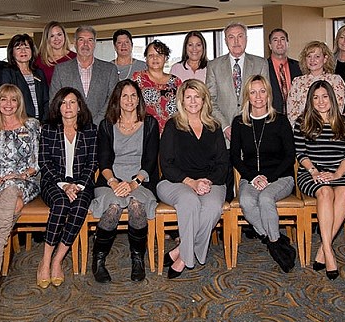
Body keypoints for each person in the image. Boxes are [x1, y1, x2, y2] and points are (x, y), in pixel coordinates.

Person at [157, 79, 230, 279]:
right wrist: (191, 182)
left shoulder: (214, 126)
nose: (193, 101)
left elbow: (223, 164)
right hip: (176, 182)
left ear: (204, 99)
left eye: (197, 96)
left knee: (213, 207)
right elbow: (167, 164)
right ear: (181, 100)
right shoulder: (173, 125)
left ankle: (181, 252)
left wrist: (206, 182)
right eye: (188, 97)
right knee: (189, 201)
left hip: (211, 182)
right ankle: (186, 258)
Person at [91, 80, 160, 283]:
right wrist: (113, 182)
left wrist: (132, 183)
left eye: (133, 95)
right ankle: (98, 259)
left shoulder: (150, 124)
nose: (129, 100)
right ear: (117, 100)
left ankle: (137, 259)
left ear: (138, 98)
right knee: (113, 207)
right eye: (124, 96)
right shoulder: (106, 125)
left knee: (136, 206)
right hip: (109, 181)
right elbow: (103, 161)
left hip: (140, 181)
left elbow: (150, 160)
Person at [230, 75, 296, 272]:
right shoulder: (239, 122)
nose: (258, 96)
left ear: (269, 94)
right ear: (247, 96)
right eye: (253, 92)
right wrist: (253, 177)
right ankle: (274, 241)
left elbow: (289, 156)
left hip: (280, 177)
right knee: (247, 202)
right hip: (251, 177)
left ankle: (275, 246)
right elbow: (235, 157)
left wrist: (269, 177)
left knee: (266, 198)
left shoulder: (281, 121)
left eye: (262, 91)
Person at [293, 80, 345, 280]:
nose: (320, 101)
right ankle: (329, 252)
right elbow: (300, 153)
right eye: (315, 97)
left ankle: (323, 247)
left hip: (341, 172)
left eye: (324, 96)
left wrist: (337, 174)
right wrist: (314, 172)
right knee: (325, 192)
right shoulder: (302, 122)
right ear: (310, 101)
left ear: (332, 98)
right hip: (311, 173)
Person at [0, 84, 41, 284]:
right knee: (13, 204)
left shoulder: (31, 125)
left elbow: (37, 161)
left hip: (24, 181)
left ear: (19, 103)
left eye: (13, 100)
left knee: (13, 189)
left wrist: (22, 174)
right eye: (3, 99)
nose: (8, 104)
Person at [37, 87, 98, 288]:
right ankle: (45, 261)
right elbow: (44, 163)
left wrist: (78, 185)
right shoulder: (48, 129)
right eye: (63, 102)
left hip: (82, 183)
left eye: (72, 102)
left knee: (80, 207)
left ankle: (57, 261)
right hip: (54, 182)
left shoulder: (90, 130)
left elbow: (93, 162)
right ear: (58, 106)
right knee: (62, 204)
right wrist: (64, 185)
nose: (68, 107)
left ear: (80, 106)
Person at [206, 22, 269, 141]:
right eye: (231, 37)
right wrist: (225, 127)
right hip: (224, 135)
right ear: (225, 41)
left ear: (246, 39)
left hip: (254, 132)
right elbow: (210, 100)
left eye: (240, 36)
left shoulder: (261, 64)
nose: (236, 41)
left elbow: (266, 98)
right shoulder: (213, 66)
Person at [49, 25, 119, 125]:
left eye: (90, 40)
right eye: (81, 40)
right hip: (69, 128)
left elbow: (113, 99)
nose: (85, 44)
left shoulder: (110, 69)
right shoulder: (61, 70)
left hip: (101, 128)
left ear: (94, 44)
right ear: (75, 43)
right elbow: (54, 101)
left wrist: (96, 122)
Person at [286, 41, 345, 126]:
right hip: (303, 130)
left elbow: (337, 110)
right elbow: (291, 112)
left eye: (317, 56)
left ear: (325, 59)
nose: (312, 60)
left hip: (329, 129)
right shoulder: (297, 82)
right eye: (309, 56)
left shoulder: (336, 80)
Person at [131, 40, 182, 132]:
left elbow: (182, 108)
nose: (155, 58)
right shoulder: (137, 79)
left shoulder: (176, 81)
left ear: (165, 58)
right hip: (145, 131)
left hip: (172, 132)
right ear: (146, 59)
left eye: (159, 55)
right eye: (151, 55)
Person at [0, 34, 49, 121]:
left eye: (27, 47)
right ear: (12, 53)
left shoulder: (39, 72)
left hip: (40, 122)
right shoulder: (7, 73)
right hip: (18, 122)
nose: (23, 51)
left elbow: (46, 100)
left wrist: (44, 121)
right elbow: (7, 101)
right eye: (18, 48)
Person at [266, 28, 302, 115]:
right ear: (270, 46)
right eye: (275, 40)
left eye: (282, 39)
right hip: (272, 117)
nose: (279, 43)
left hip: (296, 117)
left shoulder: (299, 67)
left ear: (287, 43)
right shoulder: (263, 67)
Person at [36, 21, 77, 86]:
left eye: (59, 34)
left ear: (64, 36)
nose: (56, 39)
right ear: (46, 39)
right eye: (52, 36)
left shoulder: (75, 58)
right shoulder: (39, 60)